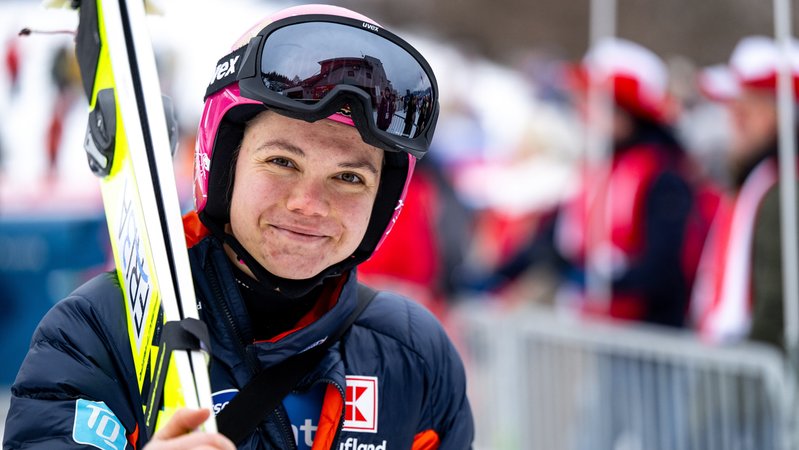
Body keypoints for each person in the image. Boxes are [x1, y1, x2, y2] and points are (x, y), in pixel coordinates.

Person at [4, 5, 474, 450]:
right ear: (224, 166)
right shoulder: (97, 333)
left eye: (349, 177)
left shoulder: (412, 355)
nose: (309, 204)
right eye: (282, 162)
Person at [460, 38, 717, 328]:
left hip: (647, 338)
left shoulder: (664, 175)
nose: (585, 113)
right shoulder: (597, 169)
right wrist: (497, 276)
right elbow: (553, 241)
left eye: (595, 103)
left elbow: (664, 269)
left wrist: (603, 280)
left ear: (625, 112)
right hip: (597, 331)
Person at [691, 35, 799, 349]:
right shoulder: (756, 182)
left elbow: (775, 301)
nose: (733, 124)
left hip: (757, 371)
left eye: (745, 112)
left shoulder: (783, 189)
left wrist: (749, 363)